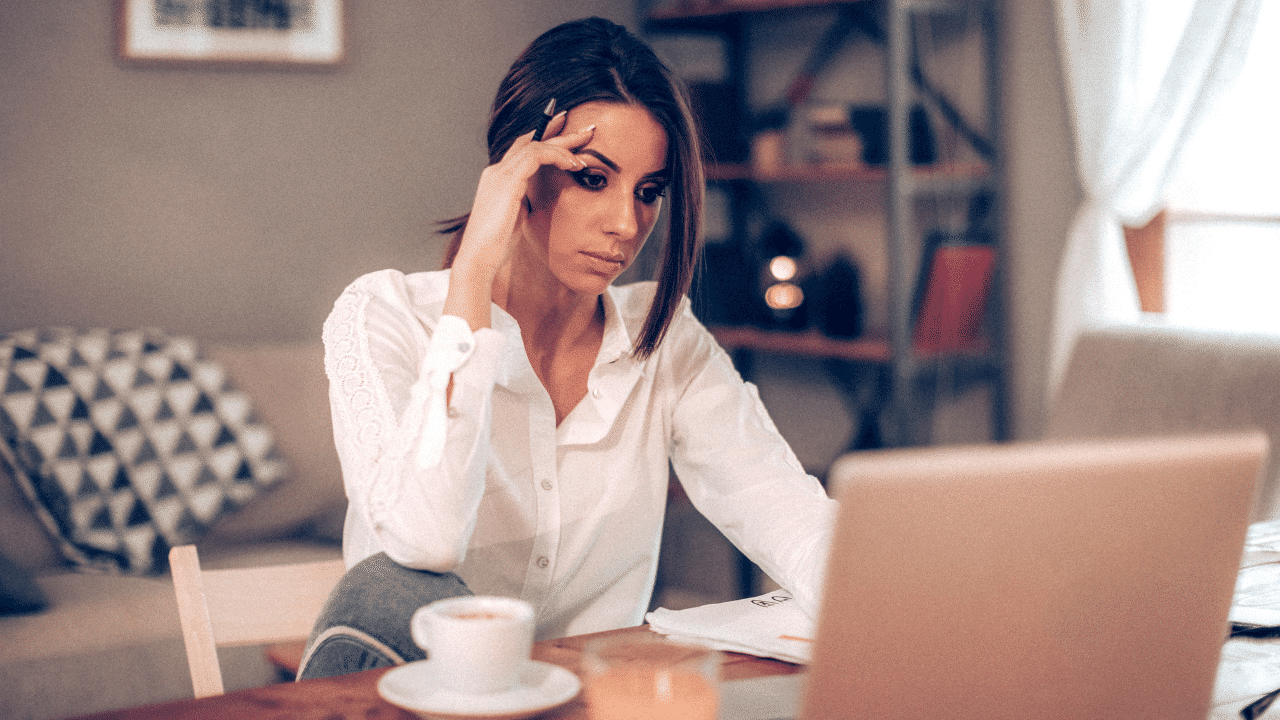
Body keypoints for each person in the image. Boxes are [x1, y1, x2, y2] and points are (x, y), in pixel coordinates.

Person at [299, 16, 837, 680]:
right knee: (403, 586)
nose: (626, 224)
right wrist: (472, 275)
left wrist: (891, 599)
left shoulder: (663, 343)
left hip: (584, 704)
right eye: (591, 178)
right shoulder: (383, 316)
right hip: (413, 696)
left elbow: (779, 505)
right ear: (517, 171)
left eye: (648, 192)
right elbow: (424, 542)